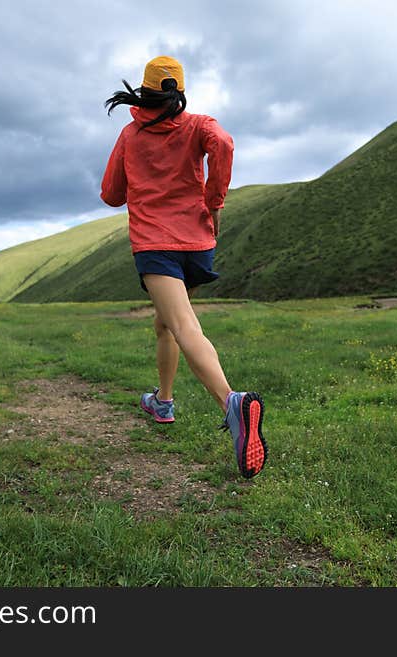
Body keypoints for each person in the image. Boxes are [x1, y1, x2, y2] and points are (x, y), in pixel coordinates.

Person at [100, 56, 267, 479]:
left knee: (183, 326)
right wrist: (213, 200)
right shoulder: (198, 125)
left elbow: (111, 195)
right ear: (178, 90)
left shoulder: (131, 135)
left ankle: (232, 403)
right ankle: (164, 400)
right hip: (197, 243)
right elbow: (225, 145)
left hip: (156, 245)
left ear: (145, 89)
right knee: (165, 323)